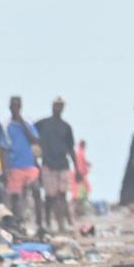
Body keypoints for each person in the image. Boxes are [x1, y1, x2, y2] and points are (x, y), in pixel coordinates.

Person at [34, 98, 79, 235]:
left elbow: (71, 148)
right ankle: (47, 221)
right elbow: (30, 134)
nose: (58, 108)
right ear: (52, 106)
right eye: (56, 105)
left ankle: (64, 223)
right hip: (48, 163)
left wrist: (77, 167)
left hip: (63, 163)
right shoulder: (43, 124)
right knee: (50, 196)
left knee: (62, 194)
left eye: (60, 106)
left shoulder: (66, 127)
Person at [2, 96, 42, 231]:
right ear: (9, 107)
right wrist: (5, 168)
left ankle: (40, 223)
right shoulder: (6, 126)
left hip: (29, 165)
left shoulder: (28, 123)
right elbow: (4, 148)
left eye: (18, 106)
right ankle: (18, 223)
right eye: (13, 106)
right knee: (16, 196)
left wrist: (22, 124)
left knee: (36, 190)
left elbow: (35, 140)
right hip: (15, 166)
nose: (15, 109)